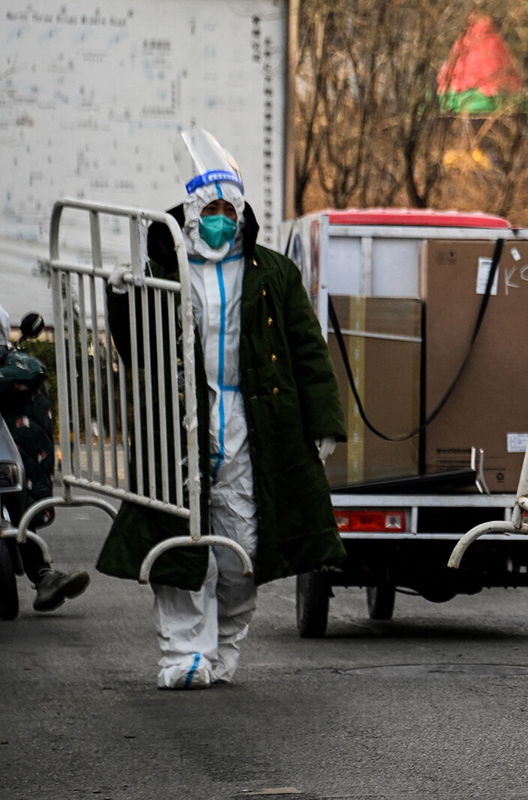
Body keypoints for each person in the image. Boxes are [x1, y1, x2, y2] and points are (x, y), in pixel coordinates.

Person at [99, 129, 346, 689]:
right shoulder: (163, 272)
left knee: (243, 547)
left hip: (250, 422)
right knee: (180, 540)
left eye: (226, 209)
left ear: (240, 213)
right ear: (189, 212)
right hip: (178, 417)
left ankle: (227, 641)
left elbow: (308, 348)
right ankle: (184, 652)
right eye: (208, 209)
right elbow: (137, 348)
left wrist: (323, 422)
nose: (218, 219)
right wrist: (121, 299)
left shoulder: (273, 274)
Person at [0, 304, 91, 612]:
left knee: (20, 513)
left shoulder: (19, 365)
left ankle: (44, 577)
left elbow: (30, 372)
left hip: (13, 461)